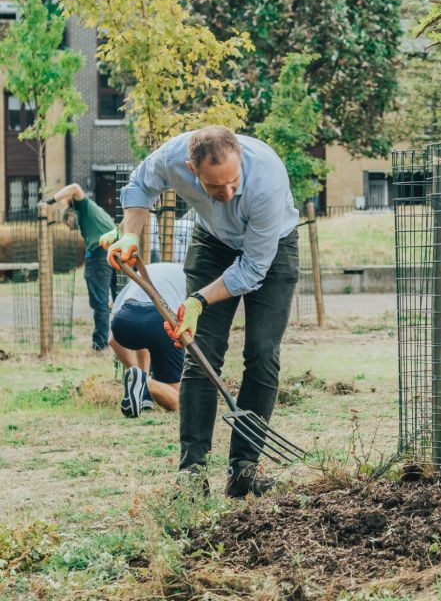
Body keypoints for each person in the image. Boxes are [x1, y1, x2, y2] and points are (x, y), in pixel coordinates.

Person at [103, 126, 299, 498]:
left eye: (232, 183)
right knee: (198, 350)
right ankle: (192, 474)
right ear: (192, 170)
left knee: (262, 352)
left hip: (271, 251)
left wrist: (197, 301)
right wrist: (130, 234)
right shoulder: (172, 157)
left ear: (240, 157)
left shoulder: (266, 180)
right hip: (212, 243)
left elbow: (254, 269)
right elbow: (140, 185)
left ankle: (244, 470)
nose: (226, 193)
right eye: (215, 187)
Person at [109, 262, 187, 418]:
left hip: (124, 322)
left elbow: (112, 340)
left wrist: (133, 368)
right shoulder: (191, 276)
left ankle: (143, 395)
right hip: (160, 321)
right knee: (179, 402)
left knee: (141, 338)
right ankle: (146, 383)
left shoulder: (148, 268)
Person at [47, 184, 117, 351]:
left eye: (68, 220)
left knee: (99, 301)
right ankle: (126, 341)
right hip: (118, 249)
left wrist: (49, 201)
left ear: (72, 211)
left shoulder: (82, 206)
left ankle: (100, 344)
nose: (71, 226)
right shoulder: (93, 214)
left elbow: (75, 187)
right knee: (121, 296)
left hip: (101, 253)